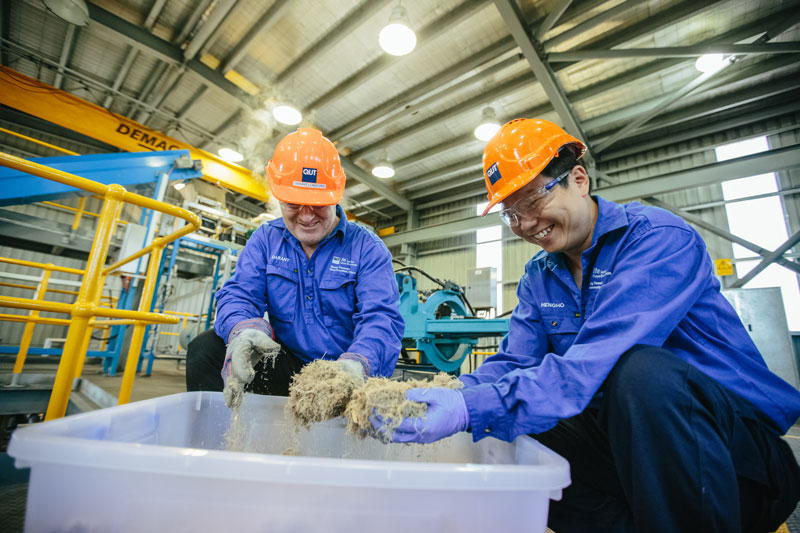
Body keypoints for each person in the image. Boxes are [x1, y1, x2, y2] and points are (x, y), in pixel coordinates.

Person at [373, 118, 800, 531]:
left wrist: (473, 407)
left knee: (641, 374)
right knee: (515, 423)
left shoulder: (656, 239)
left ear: (579, 179)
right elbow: (514, 363)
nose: (525, 224)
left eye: (533, 201)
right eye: (511, 214)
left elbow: (593, 363)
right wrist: (450, 393)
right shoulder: (539, 277)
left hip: (736, 464)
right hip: (629, 463)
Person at [186, 127, 404, 408]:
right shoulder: (266, 239)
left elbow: (381, 320)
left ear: (336, 195)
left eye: (317, 204)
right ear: (278, 196)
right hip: (285, 367)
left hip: (345, 372)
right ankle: (223, 443)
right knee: (205, 350)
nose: (305, 216)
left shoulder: (367, 249)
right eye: (292, 203)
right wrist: (243, 330)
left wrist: (358, 363)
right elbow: (240, 294)